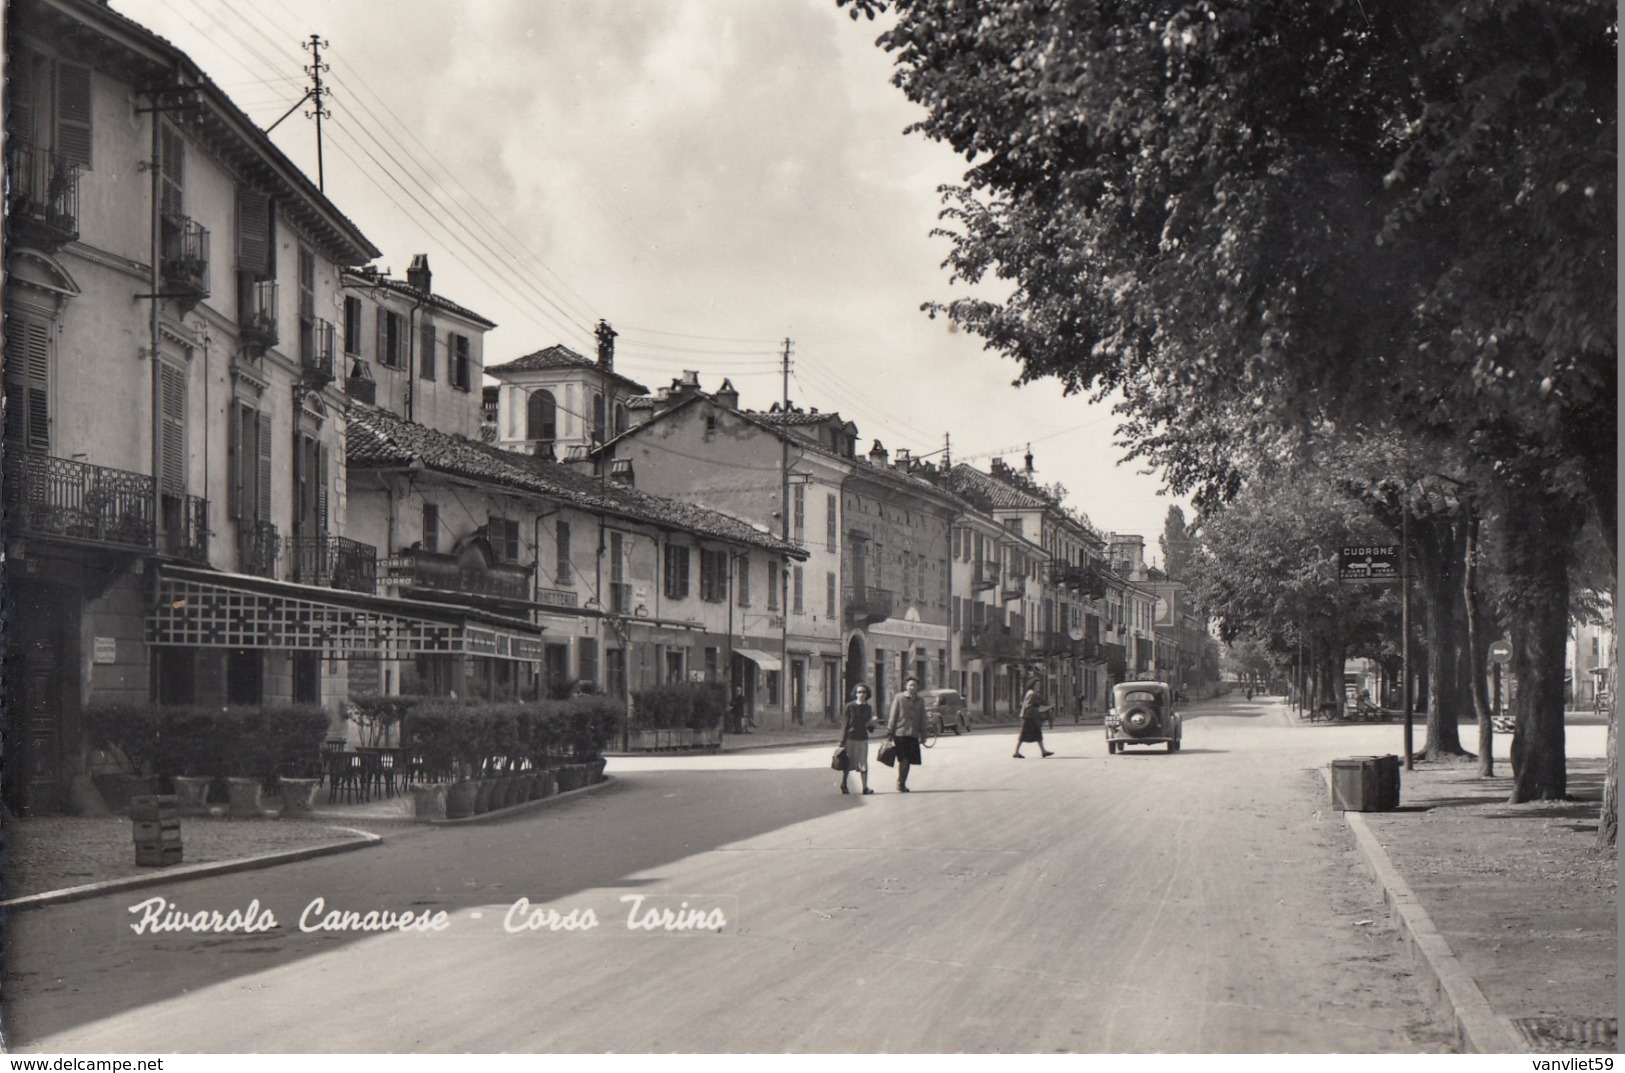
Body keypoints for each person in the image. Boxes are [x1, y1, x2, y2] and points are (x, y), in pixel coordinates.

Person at [885, 676, 927, 792]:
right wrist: (890, 732)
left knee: (908, 760)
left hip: (913, 734)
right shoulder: (899, 698)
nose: (912, 687)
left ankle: (902, 782)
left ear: (918, 687)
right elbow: (893, 716)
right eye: (910, 685)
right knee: (903, 759)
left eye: (914, 685)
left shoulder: (920, 700)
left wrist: (924, 735)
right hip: (900, 733)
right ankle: (900, 782)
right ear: (906, 686)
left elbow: (923, 718)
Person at [838, 684, 875, 795]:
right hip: (851, 738)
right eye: (859, 692)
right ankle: (844, 783)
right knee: (848, 763)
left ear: (867, 694)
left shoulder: (868, 708)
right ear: (855, 694)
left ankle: (865, 787)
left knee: (863, 762)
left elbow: (870, 729)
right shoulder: (850, 706)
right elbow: (845, 724)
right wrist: (841, 741)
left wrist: (872, 723)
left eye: (864, 692)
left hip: (863, 738)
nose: (861, 694)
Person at [1014, 682, 1054, 759]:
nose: (1038, 686)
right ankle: (1016, 752)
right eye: (1037, 685)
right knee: (1023, 735)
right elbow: (1029, 705)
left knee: (1037, 734)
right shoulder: (1031, 694)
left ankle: (1043, 751)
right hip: (1029, 717)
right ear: (1033, 685)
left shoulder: (1031, 693)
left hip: (1029, 716)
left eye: (1039, 685)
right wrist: (1037, 709)